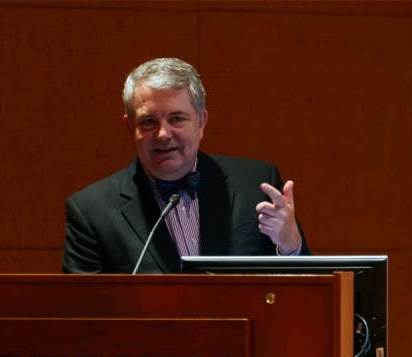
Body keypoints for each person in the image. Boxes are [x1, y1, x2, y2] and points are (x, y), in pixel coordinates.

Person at [63, 57, 309, 274]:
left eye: (176, 118)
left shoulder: (255, 186)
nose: (163, 134)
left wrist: (290, 245)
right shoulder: (92, 212)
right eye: (148, 121)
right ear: (130, 127)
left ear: (201, 122)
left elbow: (308, 292)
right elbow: (81, 314)